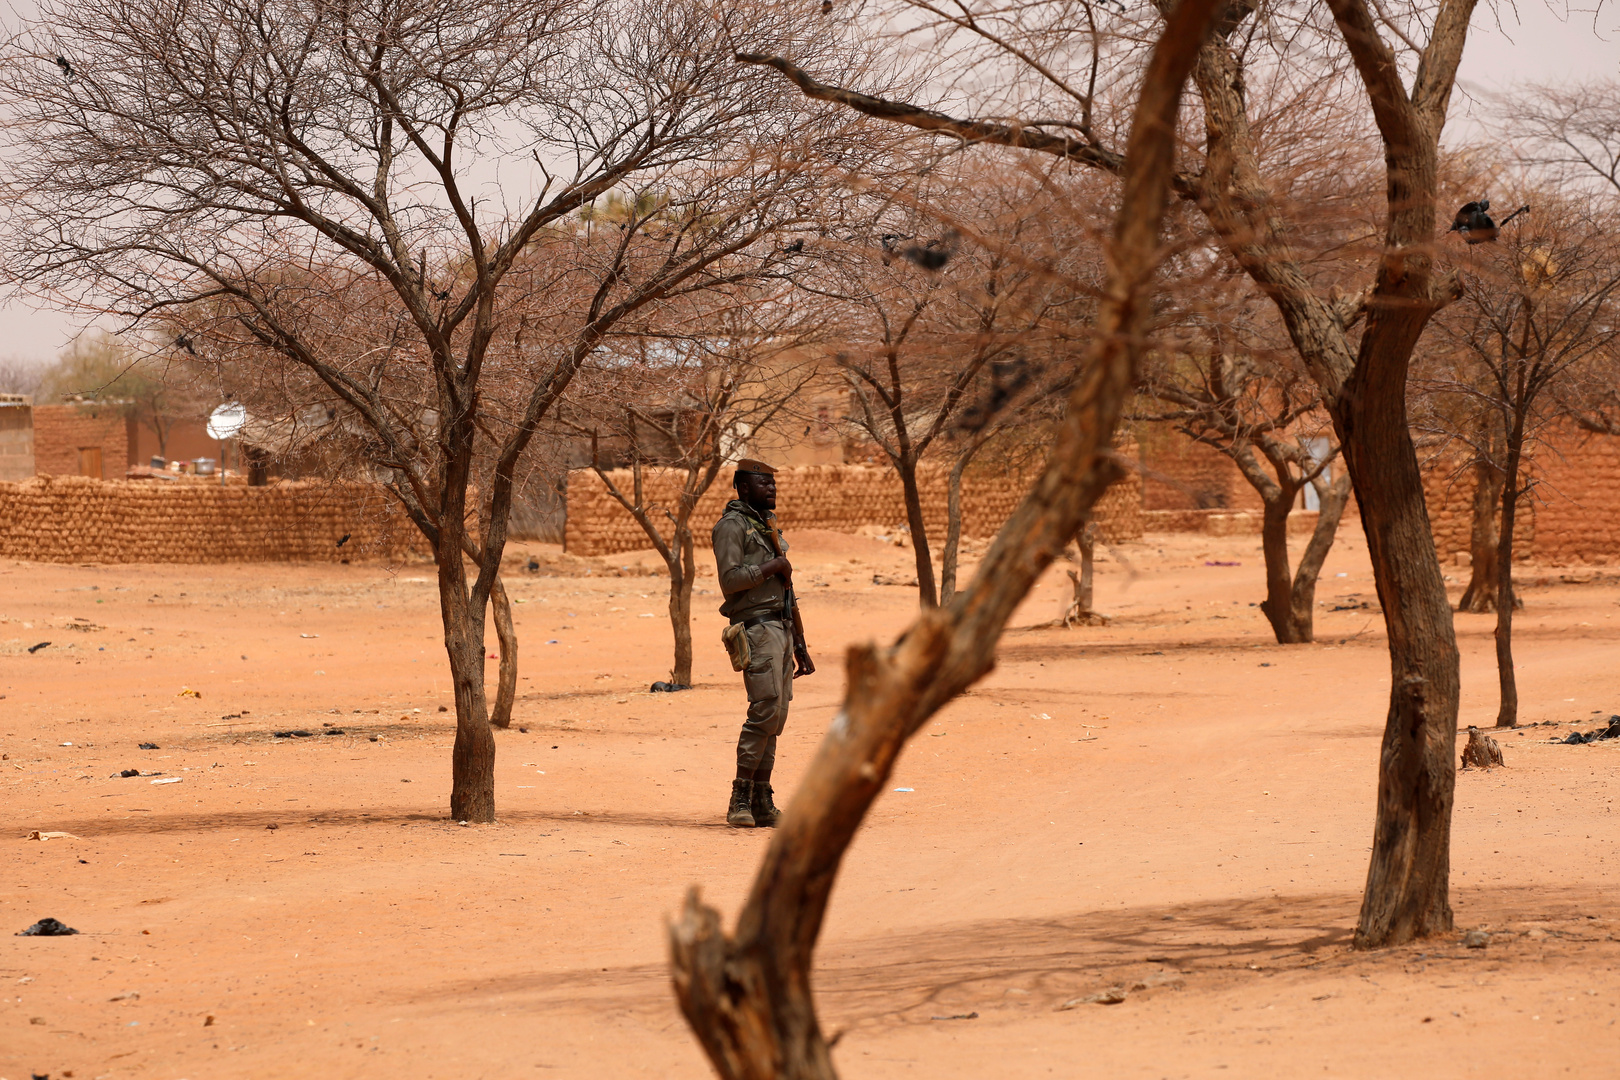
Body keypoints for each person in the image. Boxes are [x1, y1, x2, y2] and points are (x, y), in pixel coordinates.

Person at [711, 458, 814, 827]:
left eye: (773, 483)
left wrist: (800, 641)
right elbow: (730, 579)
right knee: (765, 710)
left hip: (781, 627)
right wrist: (773, 566)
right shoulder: (731, 526)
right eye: (763, 483)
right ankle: (739, 797)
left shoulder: (766, 525)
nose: (772, 489)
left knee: (778, 716)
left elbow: (787, 590)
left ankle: (761, 799)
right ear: (742, 487)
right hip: (755, 627)